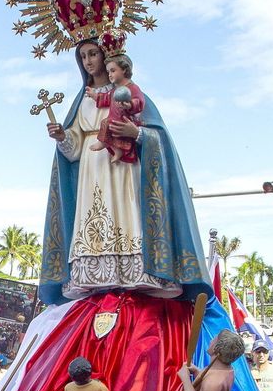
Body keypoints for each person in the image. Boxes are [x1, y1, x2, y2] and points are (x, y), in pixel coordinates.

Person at [39, 36, 206, 303]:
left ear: (106, 56)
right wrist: (62, 137)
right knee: (95, 220)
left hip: (124, 169)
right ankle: (94, 276)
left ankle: (136, 273)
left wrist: (136, 133)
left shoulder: (127, 93)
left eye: (93, 54)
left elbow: (159, 139)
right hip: (92, 171)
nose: (88, 61)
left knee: (127, 212)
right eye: (83, 57)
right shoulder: (82, 100)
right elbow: (74, 150)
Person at [91, 53, 145, 163]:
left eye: (113, 70)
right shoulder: (114, 90)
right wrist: (95, 95)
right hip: (113, 119)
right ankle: (111, 147)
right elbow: (105, 98)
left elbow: (139, 101)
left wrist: (130, 104)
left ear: (124, 70)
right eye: (108, 72)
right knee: (105, 123)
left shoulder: (132, 88)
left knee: (119, 133)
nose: (109, 75)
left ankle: (119, 150)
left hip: (125, 120)